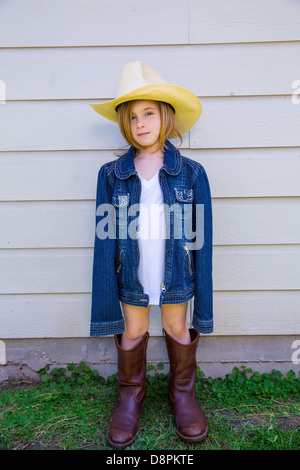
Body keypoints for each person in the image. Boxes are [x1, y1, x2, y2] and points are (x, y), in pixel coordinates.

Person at [89, 61, 213, 449]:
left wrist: (203, 297)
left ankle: (182, 394)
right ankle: (131, 394)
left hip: (176, 271)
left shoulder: (191, 173)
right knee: (134, 330)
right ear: (124, 123)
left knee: (177, 328)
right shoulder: (111, 175)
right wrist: (109, 289)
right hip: (133, 273)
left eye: (149, 113)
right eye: (133, 116)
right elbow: (104, 238)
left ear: (166, 117)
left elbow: (202, 241)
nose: (141, 123)